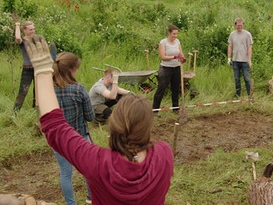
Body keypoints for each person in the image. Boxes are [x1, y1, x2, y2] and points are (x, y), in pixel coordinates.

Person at [27, 36, 174, 204]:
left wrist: (42, 71)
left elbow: (55, 126)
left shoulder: (97, 162)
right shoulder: (164, 154)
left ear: (113, 123)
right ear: (148, 126)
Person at [52, 52, 94, 204]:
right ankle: (91, 198)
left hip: (58, 140)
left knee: (65, 173)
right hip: (79, 137)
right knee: (88, 169)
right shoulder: (79, 89)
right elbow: (90, 117)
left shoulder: (49, 90)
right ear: (72, 69)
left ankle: (71, 203)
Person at [153, 24, 186, 113]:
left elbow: (181, 54)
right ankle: (155, 110)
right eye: (174, 34)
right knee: (161, 88)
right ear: (169, 33)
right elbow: (163, 56)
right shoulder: (163, 42)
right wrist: (175, 57)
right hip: (166, 68)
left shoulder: (178, 42)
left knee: (175, 89)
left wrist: (182, 58)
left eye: (177, 34)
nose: (175, 36)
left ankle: (175, 108)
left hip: (176, 68)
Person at [12, 13, 37, 112]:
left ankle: (36, 112)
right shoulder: (22, 41)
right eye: (30, 29)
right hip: (27, 70)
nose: (33, 31)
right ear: (25, 30)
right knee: (23, 92)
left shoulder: (36, 39)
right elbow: (18, 38)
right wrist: (17, 24)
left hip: (38, 69)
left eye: (33, 29)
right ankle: (15, 113)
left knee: (37, 92)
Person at [227, 18, 253, 98]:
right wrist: (229, 58)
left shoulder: (247, 34)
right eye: (238, 25)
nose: (240, 27)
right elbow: (230, 46)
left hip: (245, 61)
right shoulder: (232, 34)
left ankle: (250, 95)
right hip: (235, 61)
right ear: (235, 25)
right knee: (237, 79)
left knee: (247, 79)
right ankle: (238, 94)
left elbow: (249, 47)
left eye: (241, 25)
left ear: (243, 25)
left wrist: (249, 59)